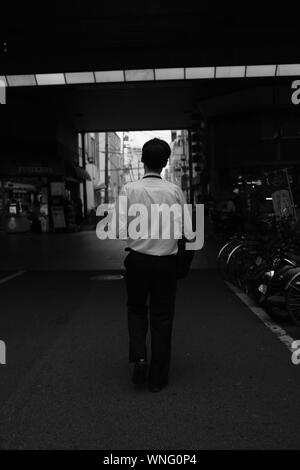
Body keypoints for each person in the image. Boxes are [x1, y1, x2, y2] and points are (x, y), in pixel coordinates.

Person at [116, 138, 194, 392]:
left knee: (136, 309)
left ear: (142, 160)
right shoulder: (174, 191)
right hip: (166, 264)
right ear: (166, 162)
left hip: (137, 260)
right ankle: (157, 379)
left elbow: (117, 229)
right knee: (162, 318)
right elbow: (189, 232)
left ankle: (139, 357)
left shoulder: (129, 189)